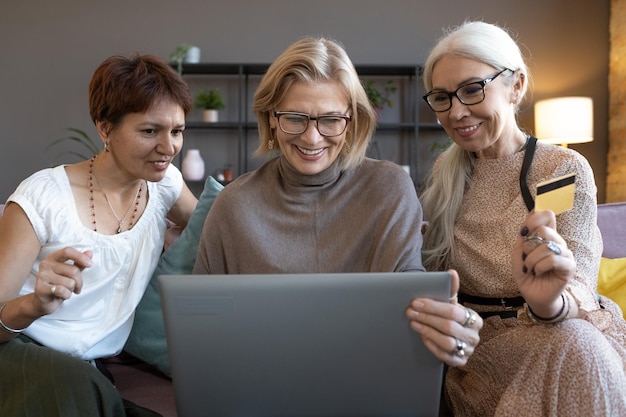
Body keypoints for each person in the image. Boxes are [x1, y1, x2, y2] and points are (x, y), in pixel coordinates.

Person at [193, 36, 482, 373]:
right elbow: (202, 327)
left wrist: (444, 321)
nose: (312, 138)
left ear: (352, 121)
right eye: (295, 118)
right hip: (260, 378)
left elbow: (408, 291)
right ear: (271, 117)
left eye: (330, 120)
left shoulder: (389, 189)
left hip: (368, 376)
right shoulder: (234, 205)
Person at [413, 20, 626, 416]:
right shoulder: (444, 171)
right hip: (482, 352)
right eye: (442, 97)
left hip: (559, 327)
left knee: (574, 342)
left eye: (473, 89)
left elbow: (577, 281)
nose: (456, 111)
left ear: (516, 86)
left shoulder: (559, 169)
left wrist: (549, 303)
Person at [0, 54, 197, 416]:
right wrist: (33, 305)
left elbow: (208, 229)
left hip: (89, 366)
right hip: (20, 349)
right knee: (75, 386)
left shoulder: (166, 185)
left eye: (177, 131)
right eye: (150, 131)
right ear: (105, 129)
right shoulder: (43, 194)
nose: (168, 147)